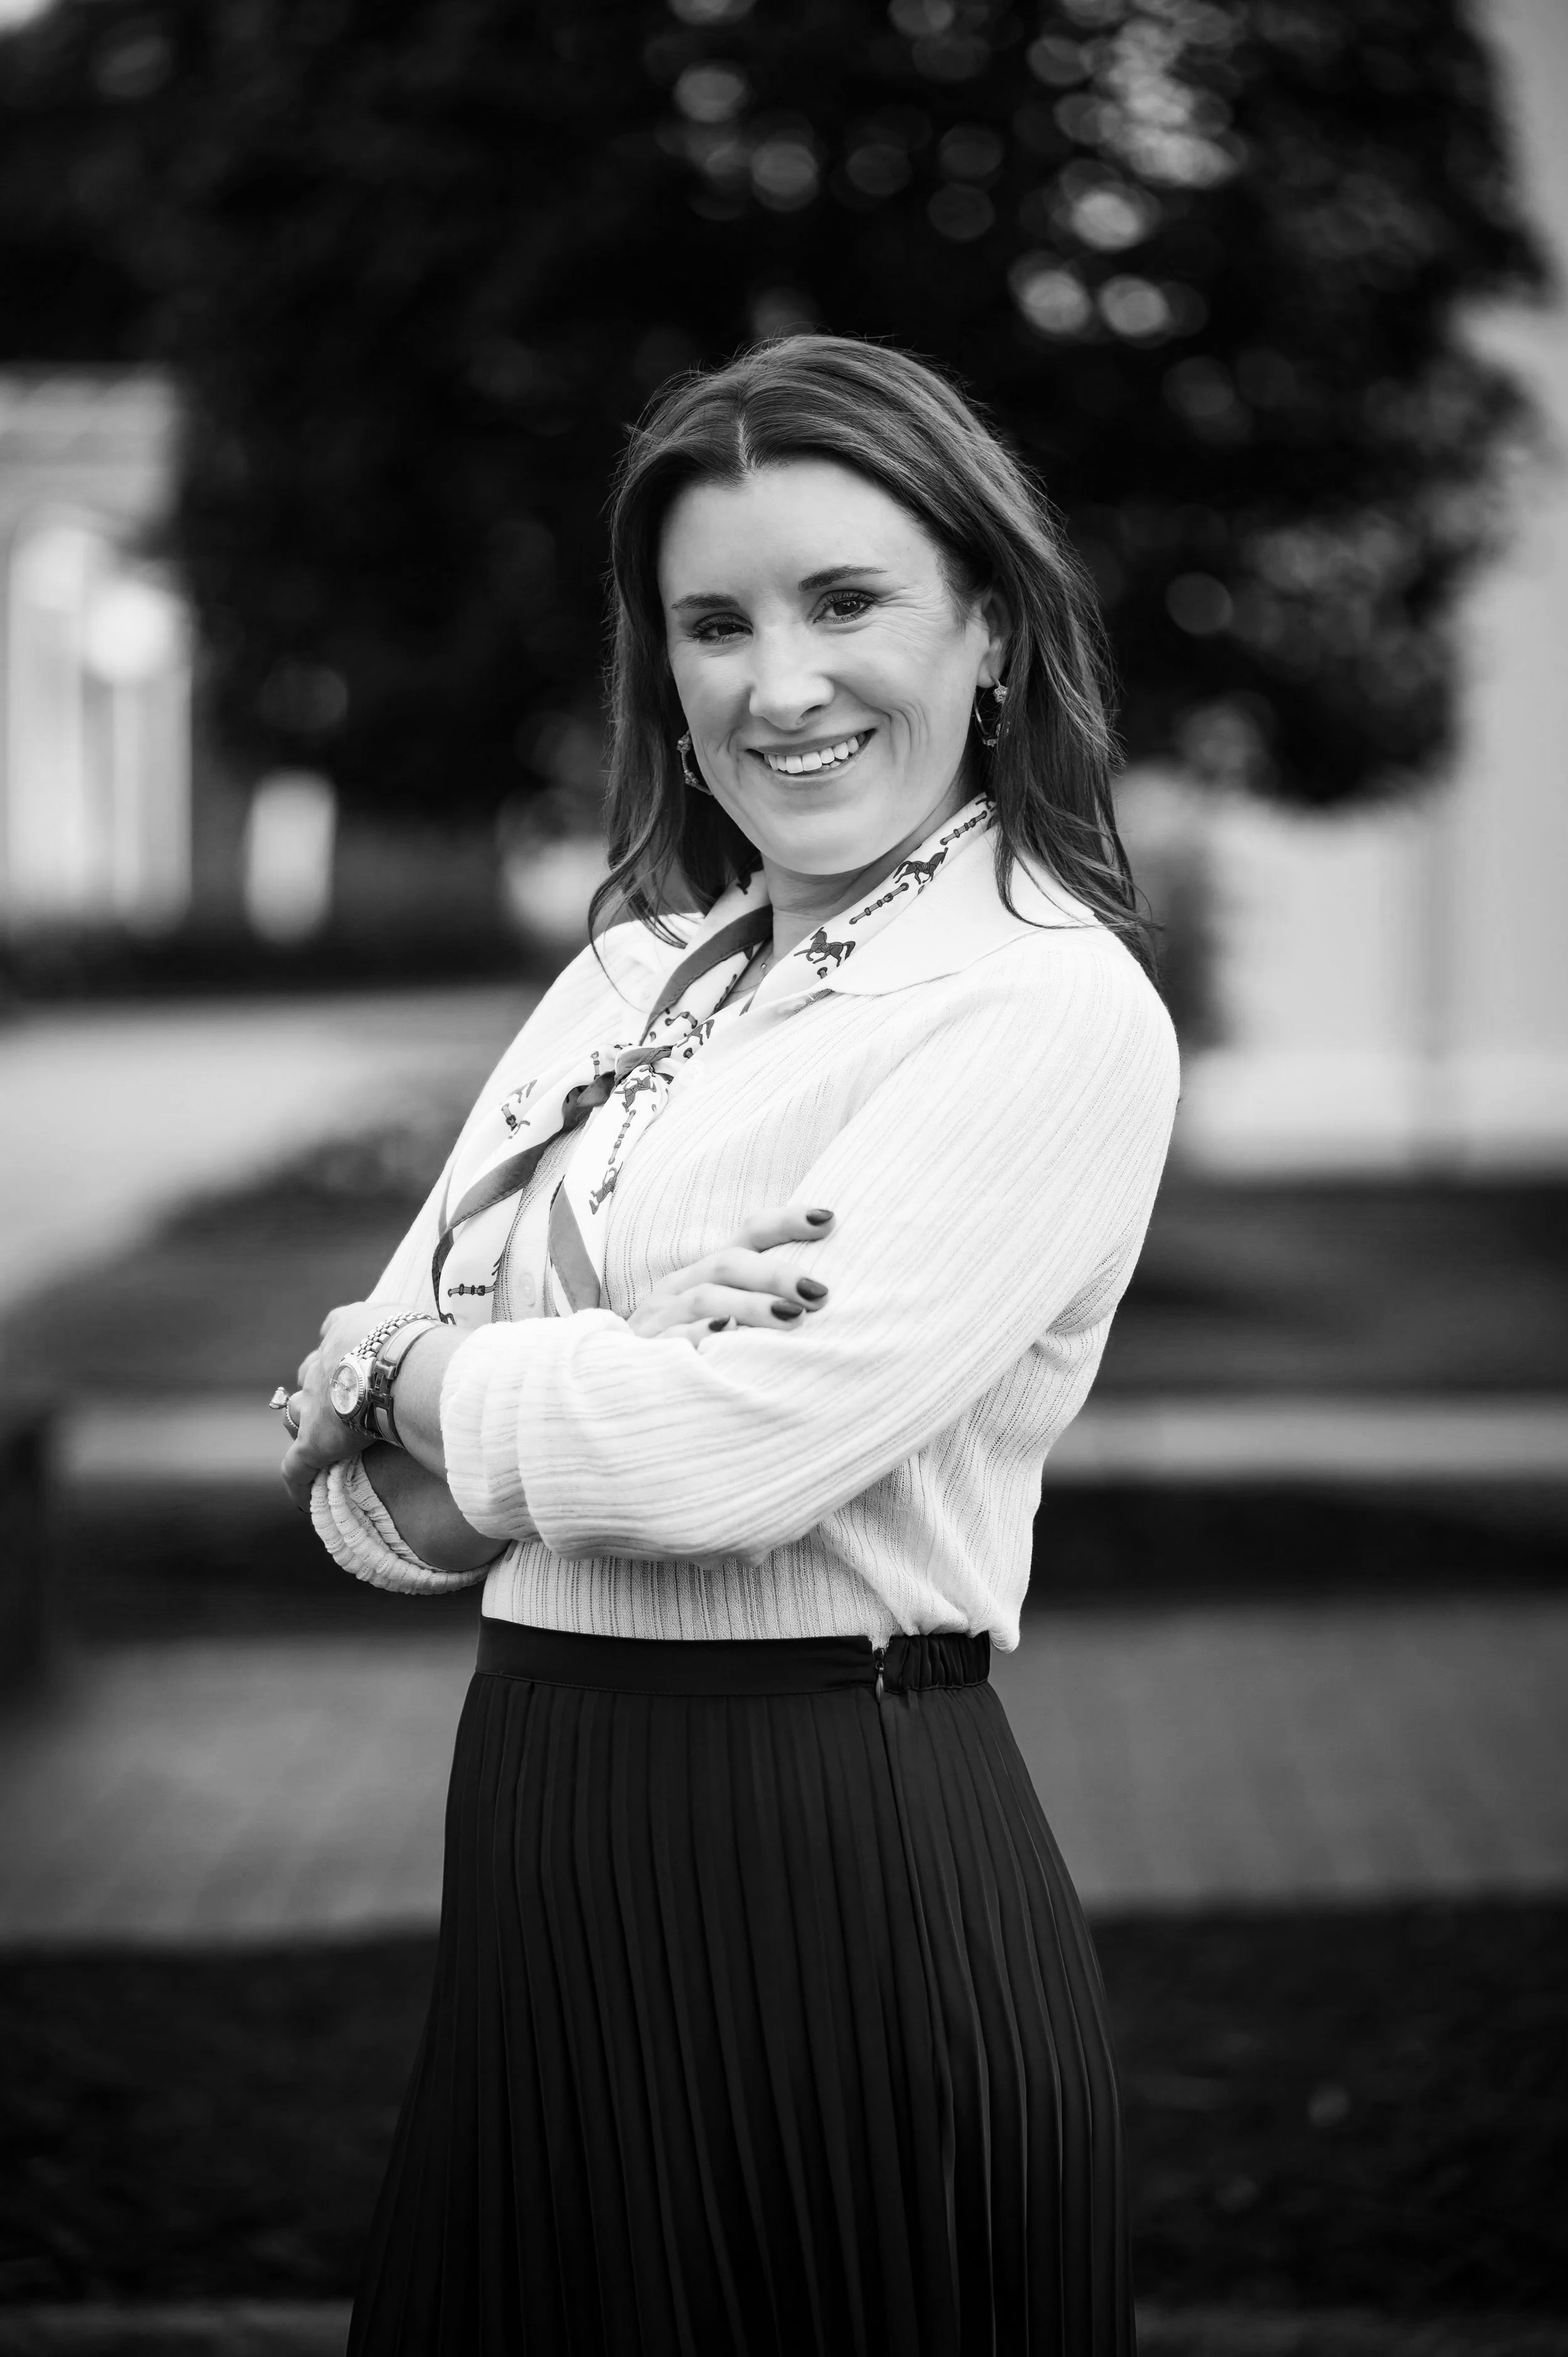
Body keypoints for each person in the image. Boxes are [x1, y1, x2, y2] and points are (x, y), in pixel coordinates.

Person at [278, 335, 1179, 2356]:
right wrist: (562, 1376)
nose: (778, 683)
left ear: (994, 634)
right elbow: (345, 1497)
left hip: (829, 1850)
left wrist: (426, 1366)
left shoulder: (1038, 1008)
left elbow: (719, 1465)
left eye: (844, 600)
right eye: (713, 622)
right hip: (534, 1835)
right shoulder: (614, 984)